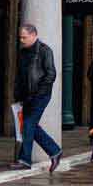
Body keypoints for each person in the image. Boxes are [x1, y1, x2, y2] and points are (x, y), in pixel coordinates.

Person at [10, 24, 62, 172]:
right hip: (27, 96)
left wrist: (39, 92)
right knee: (30, 126)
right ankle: (55, 151)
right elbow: (20, 76)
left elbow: (51, 74)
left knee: (28, 124)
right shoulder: (22, 52)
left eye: (24, 37)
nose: (21, 40)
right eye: (20, 37)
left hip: (40, 95)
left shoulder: (45, 51)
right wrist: (18, 94)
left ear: (34, 35)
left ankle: (25, 160)